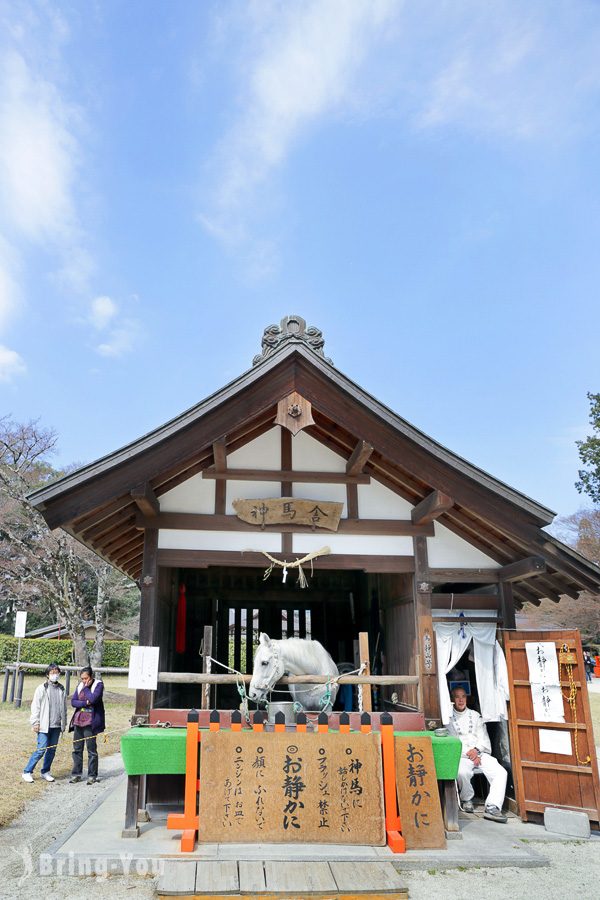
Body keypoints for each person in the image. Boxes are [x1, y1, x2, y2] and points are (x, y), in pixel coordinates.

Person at [447, 686, 508, 823]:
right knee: (461, 772)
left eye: (463, 696)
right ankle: (467, 798)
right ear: (452, 699)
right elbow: (451, 740)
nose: (461, 700)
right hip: (461, 754)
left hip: (479, 753)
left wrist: (477, 751)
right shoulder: (449, 718)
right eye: (457, 697)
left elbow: (484, 738)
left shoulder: (475, 715)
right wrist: (468, 754)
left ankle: (493, 805)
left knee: (500, 772)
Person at [22, 662, 66, 783]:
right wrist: (35, 722)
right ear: (47, 675)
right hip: (43, 725)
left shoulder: (62, 688)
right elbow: (35, 706)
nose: (55, 675)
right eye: (52, 673)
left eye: (56, 672)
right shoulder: (42, 688)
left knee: (51, 750)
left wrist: (64, 724)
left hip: (56, 725)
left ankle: (45, 771)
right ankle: (27, 771)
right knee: (41, 749)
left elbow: (64, 708)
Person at [69, 666, 105, 785]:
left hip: (91, 721)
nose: (84, 681)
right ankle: (76, 774)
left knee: (91, 750)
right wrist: (85, 703)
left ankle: (92, 775)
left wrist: (86, 689)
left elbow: (94, 699)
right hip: (78, 720)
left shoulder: (98, 685)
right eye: (82, 679)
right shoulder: (79, 686)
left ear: (91, 677)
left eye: (86, 678)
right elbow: (73, 702)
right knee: (77, 749)